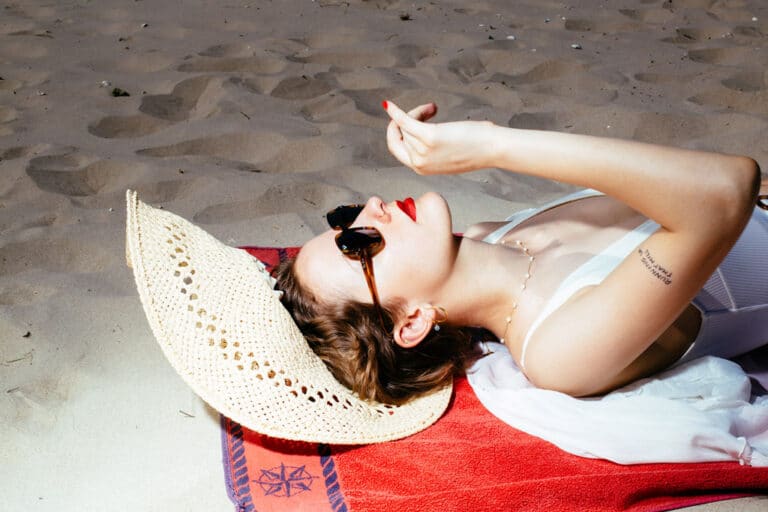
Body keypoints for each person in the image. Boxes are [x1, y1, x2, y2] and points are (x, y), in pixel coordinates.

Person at [276, 100, 767, 406]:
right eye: (357, 244)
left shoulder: (496, 234)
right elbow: (727, 189)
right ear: (411, 323)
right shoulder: (559, 350)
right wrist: (495, 146)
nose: (371, 208)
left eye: (344, 217)